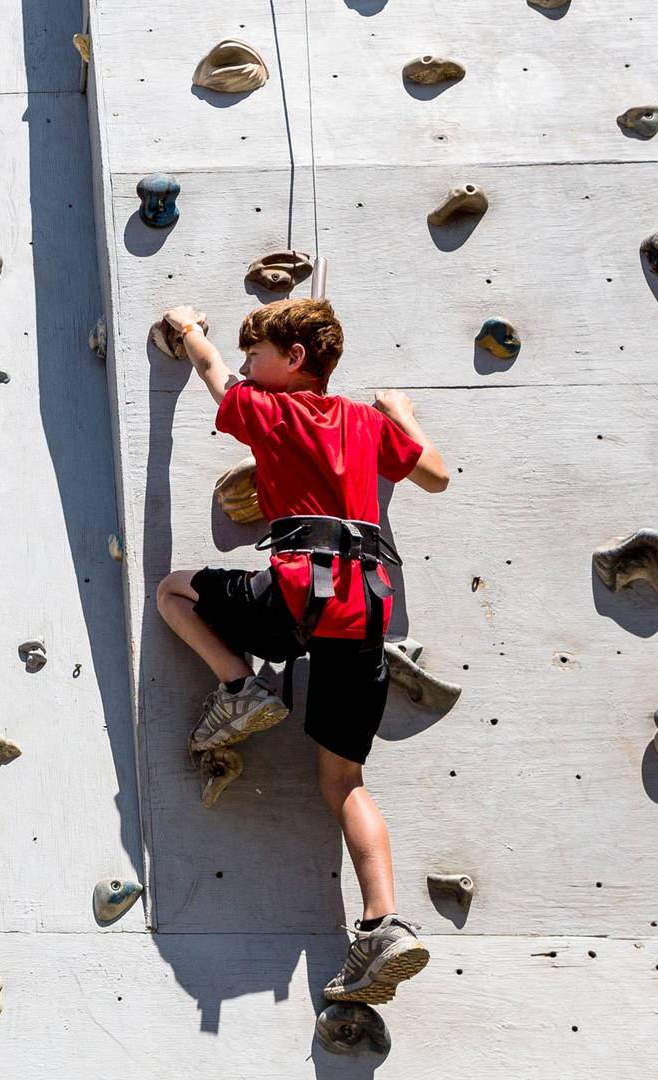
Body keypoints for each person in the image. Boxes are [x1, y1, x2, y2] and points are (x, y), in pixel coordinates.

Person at [154, 298, 450, 1005]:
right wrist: (400, 410)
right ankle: (384, 925)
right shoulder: (367, 423)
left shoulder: (275, 409)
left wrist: (189, 327)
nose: (249, 364)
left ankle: (239, 689)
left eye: (259, 353)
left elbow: (216, 379)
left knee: (173, 593)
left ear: (293, 360)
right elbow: (436, 474)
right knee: (342, 781)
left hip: (296, 594)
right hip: (364, 612)